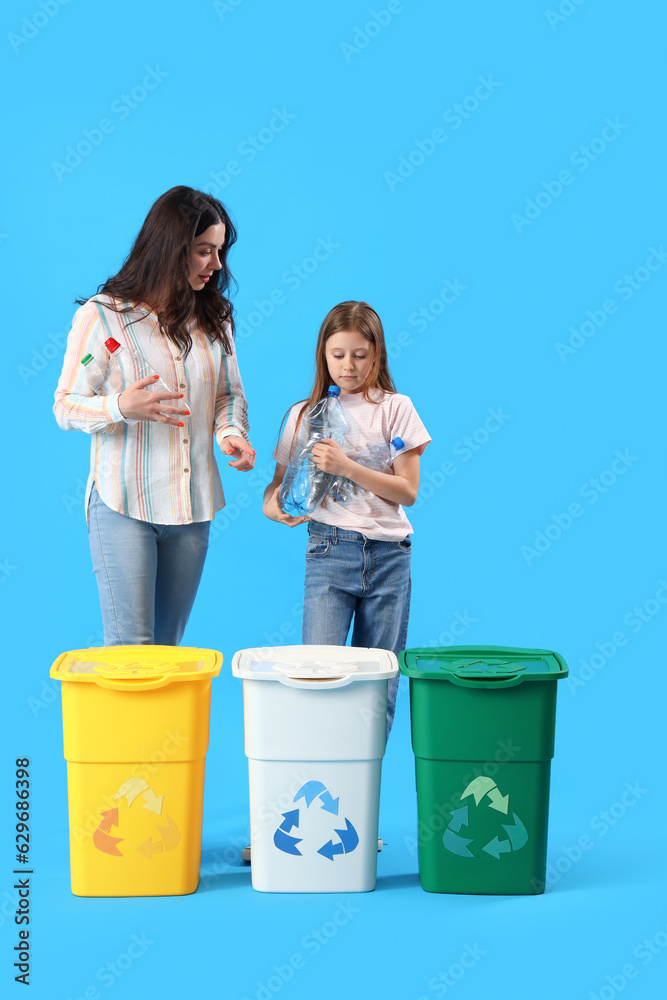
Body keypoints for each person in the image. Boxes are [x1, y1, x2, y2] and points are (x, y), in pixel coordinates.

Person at [54, 186, 255, 646]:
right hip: (123, 501)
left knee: (166, 652)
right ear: (171, 248)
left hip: (192, 506)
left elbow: (229, 394)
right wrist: (120, 407)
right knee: (131, 652)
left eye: (219, 251)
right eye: (205, 251)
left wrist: (229, 433)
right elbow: (64, 404)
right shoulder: (104, 318)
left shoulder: (215, 320)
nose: (216, 264)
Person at [262, 301, 431, 736]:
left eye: (360, 354)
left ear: (377, 354)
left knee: (378, 683)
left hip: (389, 556)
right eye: (337, 355)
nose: (348, 366)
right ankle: (324, 774)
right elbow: (280, 482)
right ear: (323, 354)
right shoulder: (306, 414)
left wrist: (349, 468)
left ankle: (362, 777)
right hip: (330, 549)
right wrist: (272, 504)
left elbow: (407, 491)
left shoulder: (396, 409)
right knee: (318, 674)